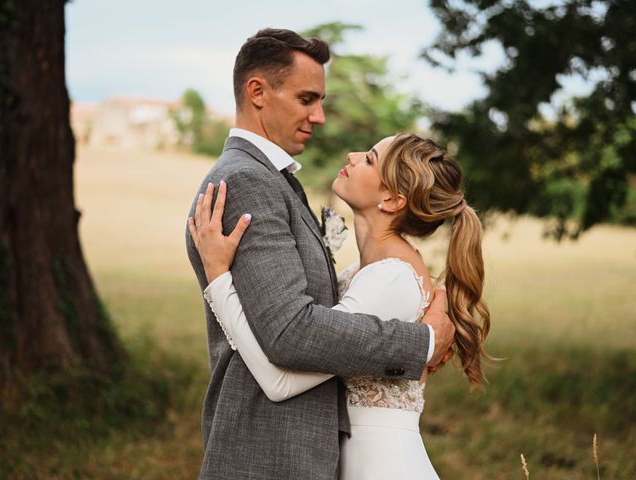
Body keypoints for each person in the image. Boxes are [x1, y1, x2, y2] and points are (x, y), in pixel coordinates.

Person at [185, 29, 455, 480]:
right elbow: (291, 334)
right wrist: (422, 343)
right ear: (258, 92)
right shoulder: (250, 181)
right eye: (307, 98)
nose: (321, 116)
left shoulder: (274, 180)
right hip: (268, 454)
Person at [189, 134, 491, 479]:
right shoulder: (364, 272)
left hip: (382, 465)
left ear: (392, 199)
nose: (352, 154)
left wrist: (218, 280)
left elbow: (279, 383)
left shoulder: (391, 279)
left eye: (370, 159)